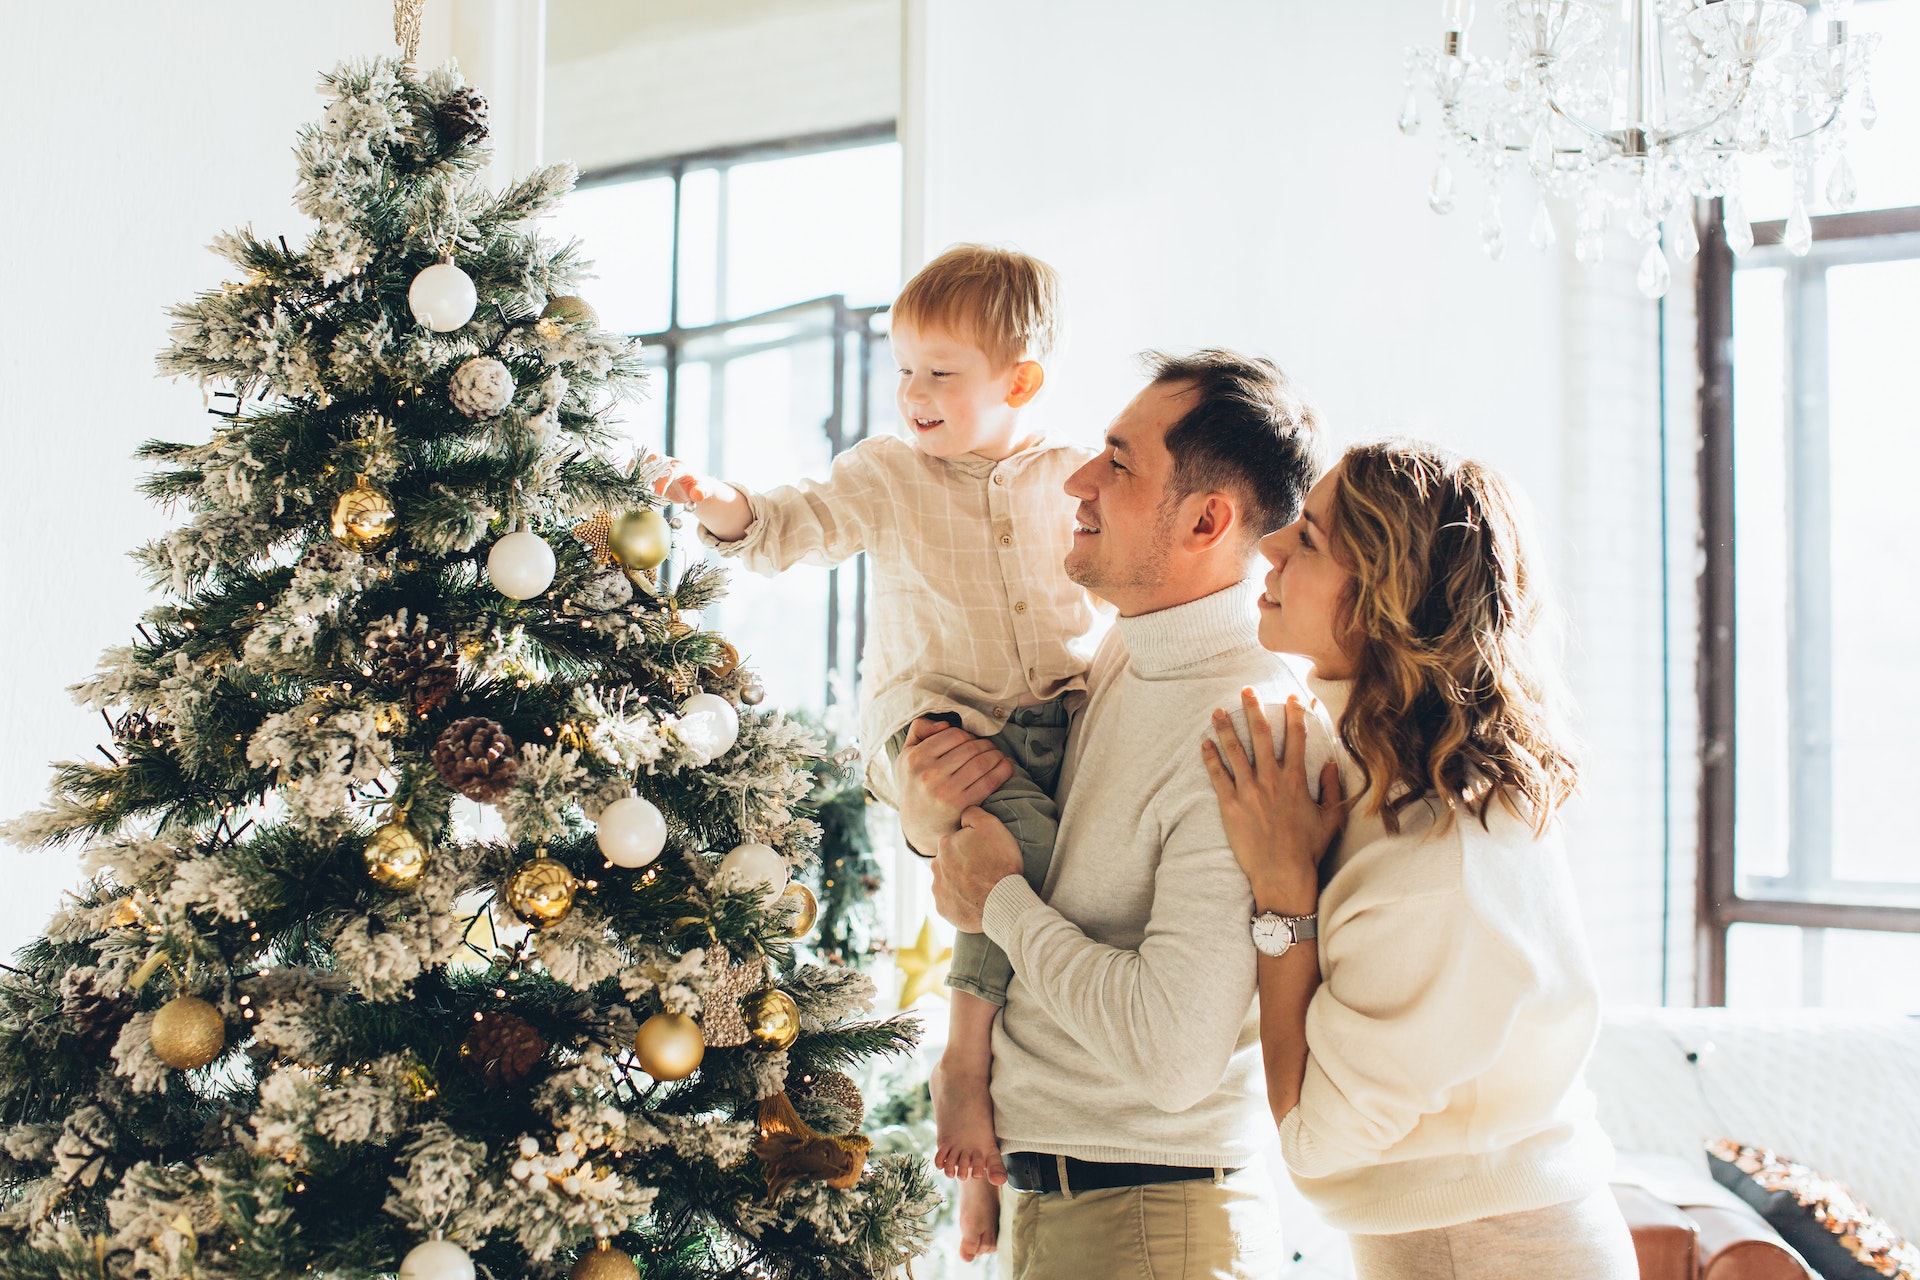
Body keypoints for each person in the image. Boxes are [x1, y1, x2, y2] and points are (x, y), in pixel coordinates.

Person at [649, 245, 1098, 1254]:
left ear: (1018, 381)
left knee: (1071, 891)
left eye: (941, 373)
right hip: (932, 721)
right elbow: (792, 523)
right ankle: (964, 1070)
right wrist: (721, 502)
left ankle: (1016, 1146)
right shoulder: (891, 472)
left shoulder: (1071, 476)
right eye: (904, 369)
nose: (914, 392)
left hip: (1053, 718)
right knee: (1008, 859)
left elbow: (1119, 589)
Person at [907, 349, 1328, 1275]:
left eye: (1120, 461)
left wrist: (1000, 906)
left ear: (1208, 520)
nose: (1079, 479)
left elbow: (1170, 1058)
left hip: (1145, 1225)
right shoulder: (1133, 655)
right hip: (1074, 1200)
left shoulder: (1250, 731)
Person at [1199, 440, 1638, 1280]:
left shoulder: (1433, 864)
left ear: (1384, 604)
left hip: (1489, 1257)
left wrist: (1285, 901)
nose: (1270, 546)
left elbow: (1313, 1141)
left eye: (1312, 541)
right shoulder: (1395, 774)